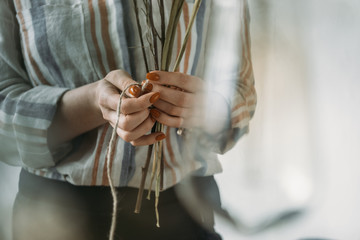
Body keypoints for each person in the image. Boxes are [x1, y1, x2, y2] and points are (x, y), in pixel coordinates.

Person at [0, 0, 256, 239]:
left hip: (190, 211)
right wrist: (93, 103)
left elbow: (240, 88)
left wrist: (208, 107)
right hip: (57, 219)